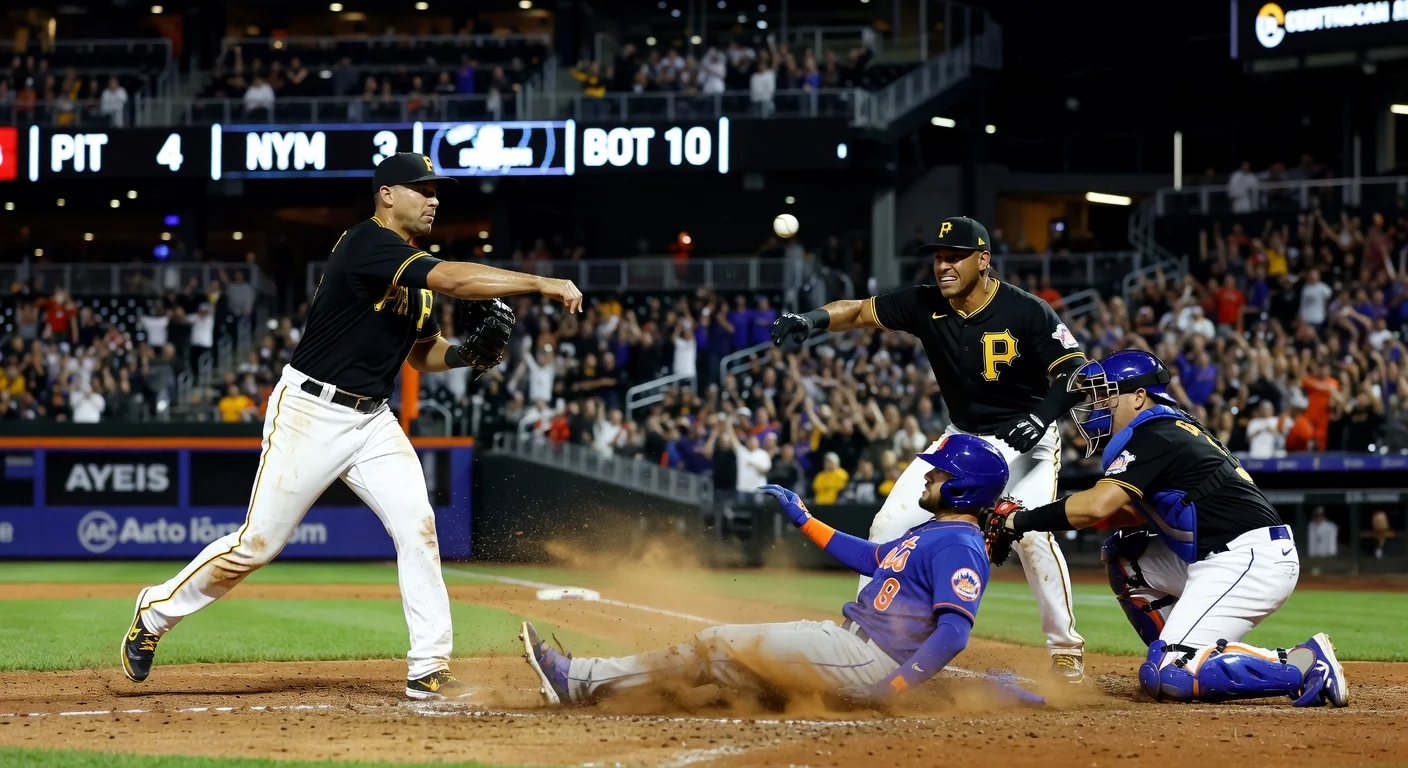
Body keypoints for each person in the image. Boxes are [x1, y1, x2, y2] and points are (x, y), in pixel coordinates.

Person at [122, 152, 583, 700]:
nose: (434, 198)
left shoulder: (415, 272)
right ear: (387, 194)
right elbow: (455, 279)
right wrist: (539, 281)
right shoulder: (366, 242)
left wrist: (464, 355)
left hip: (373, 421)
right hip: (310, 412)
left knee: (419, 527)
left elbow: (419, 354)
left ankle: (428, 666)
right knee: (258, 544)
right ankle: (153, 614)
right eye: (421, 188)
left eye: (437, 189)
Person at [770, 215, 1088, 681]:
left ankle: (1065, 650)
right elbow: (858, 311)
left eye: (955, 257)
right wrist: (812, 319)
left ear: (983, 261)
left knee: (1032, 535)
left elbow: (1076, 372)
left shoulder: (1026, 310)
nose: (943, 266)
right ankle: (869, 632)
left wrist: (1041, 416)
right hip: (963, 439)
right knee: (889, 525)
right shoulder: (924, 304)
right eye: (939, 257)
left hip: (1028, 440)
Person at [521, 435, 1031, 707]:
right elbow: (868, 558)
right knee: (729, 668)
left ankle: (580, 681)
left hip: (866, 659)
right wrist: (805, 520)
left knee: (716, 645)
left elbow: (954, 633)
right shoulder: (932, 532)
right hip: (846, 641)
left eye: (941, 472)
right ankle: (602, 686)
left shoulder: (960, 547)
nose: (928, 474)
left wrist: (893, 689)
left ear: (964, 487)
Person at [982, 350, 1347, 707]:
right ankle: (1179, 650)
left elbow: (1095, 506)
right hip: (1219, 555)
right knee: (1126, 556)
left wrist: (1020, 519)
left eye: (1107, 395)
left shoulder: (1154, 433)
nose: (1097, 407)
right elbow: (1126, 512)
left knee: (1171, 673)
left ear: (1139, 396)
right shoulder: (1164, 426)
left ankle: (1302, 663)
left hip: (1249, 560)